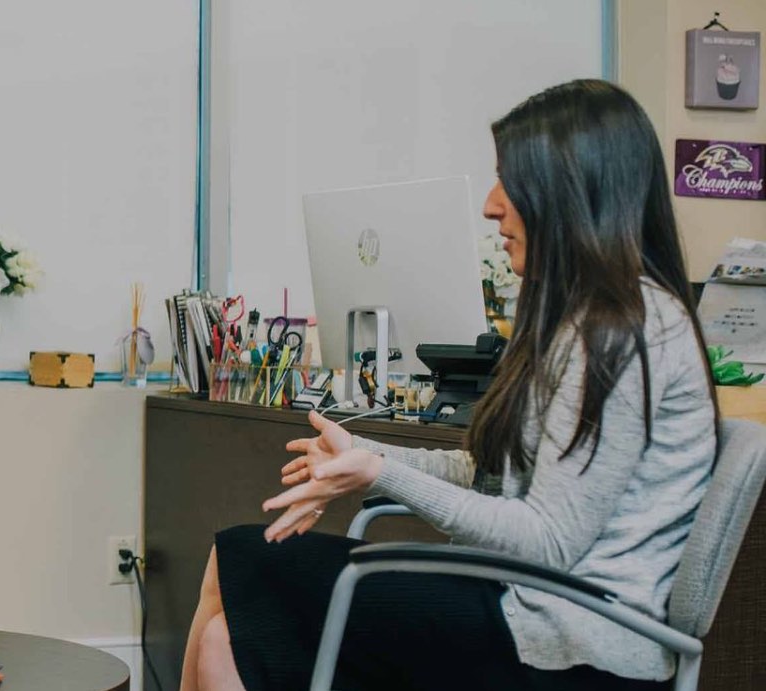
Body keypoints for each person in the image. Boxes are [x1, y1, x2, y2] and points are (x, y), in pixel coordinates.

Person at [181, 79, 720, 691]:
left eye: (510, 182)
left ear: (570, 190)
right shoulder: (587, 318)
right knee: (231, 616)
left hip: (573, 642)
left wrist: (381, 477)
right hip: (527, 607)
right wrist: (370, 456)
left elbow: (546, 541)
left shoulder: (624, 330)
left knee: (240, 573)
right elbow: (489, 476)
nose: (492, 206)